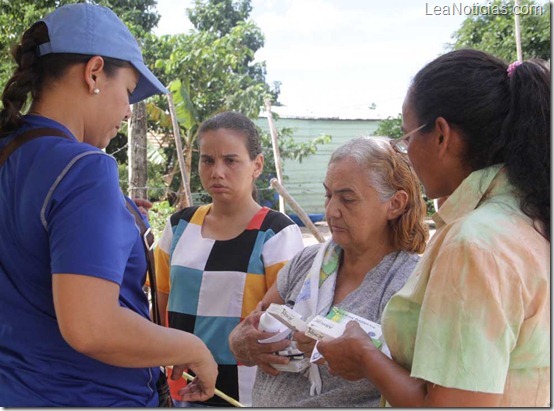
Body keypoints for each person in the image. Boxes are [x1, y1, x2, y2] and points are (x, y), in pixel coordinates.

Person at [0, 3, 217, 406]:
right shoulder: (85, 168)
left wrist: (110, 215)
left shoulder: (13, 155)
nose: (126, 110)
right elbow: (91, 327)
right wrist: (192, 349)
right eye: (129, 92)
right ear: (94, 72)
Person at [317, 49, 550, 407]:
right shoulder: (528, 216)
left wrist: (365, 357)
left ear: (441, 135)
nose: (406, 153)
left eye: (407, 138)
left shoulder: (475, 243)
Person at [228, 137, 429, 407]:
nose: (332, 210)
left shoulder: (408, 284)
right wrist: (242, 341)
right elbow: (254, 320)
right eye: (329, 195)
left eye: (348, 199)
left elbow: (422, 393)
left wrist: (364, 359)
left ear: (394, 204)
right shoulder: (308, 261)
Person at [154, 111, 305, 407]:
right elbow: (159, 311)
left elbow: (289, 322)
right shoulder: (179, 227)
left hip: (247, 392)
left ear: (257, 165)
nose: (217, 172)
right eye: (207, 160)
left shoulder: (276, 234)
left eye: (231, 160)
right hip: (181, 388)